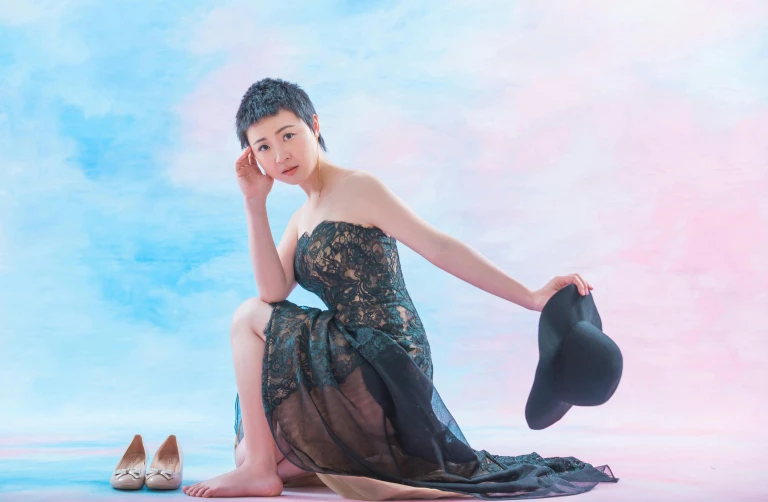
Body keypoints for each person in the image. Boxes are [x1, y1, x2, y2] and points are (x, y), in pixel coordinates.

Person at [183, 78, 617, 499]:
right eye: (264, 147)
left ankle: (261, 472)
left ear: (314, 125)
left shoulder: (359, 187)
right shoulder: (300, 218)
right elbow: (273, 291)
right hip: (346, 356)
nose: (280, 155)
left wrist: (532, 297)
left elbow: (440, 247)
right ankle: (274, 464)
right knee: (254, 443)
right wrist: (254, 202)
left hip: (387, 355)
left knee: (246, 319)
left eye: (288, 135)